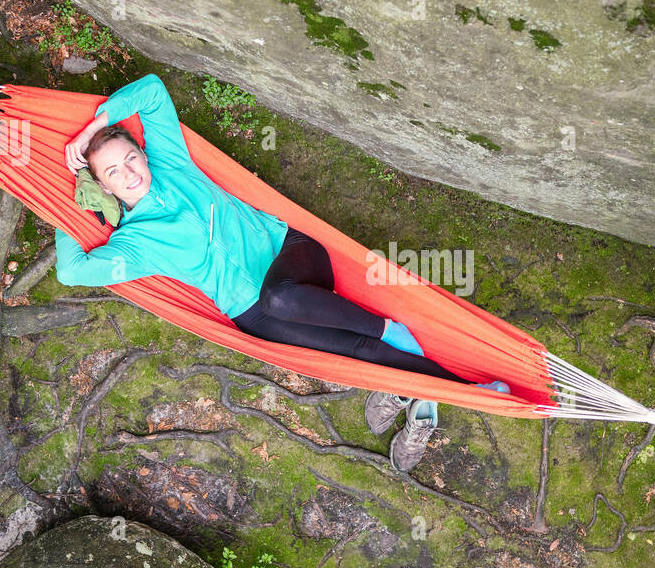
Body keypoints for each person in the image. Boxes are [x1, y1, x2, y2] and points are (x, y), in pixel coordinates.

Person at [54, 73, 511, 395]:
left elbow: (152, 91)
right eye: (113, 172)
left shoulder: (171, 163)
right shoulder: (135, 244)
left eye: (131, 158)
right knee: (356, 351)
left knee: (280, 296)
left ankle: (392, 330)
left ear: (142, 151)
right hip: (253, 314)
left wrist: (97, 123)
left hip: (290, 254)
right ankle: (470, 390)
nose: (130, 173)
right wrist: (58, 200)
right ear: (105, 187)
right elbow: (72, 271)